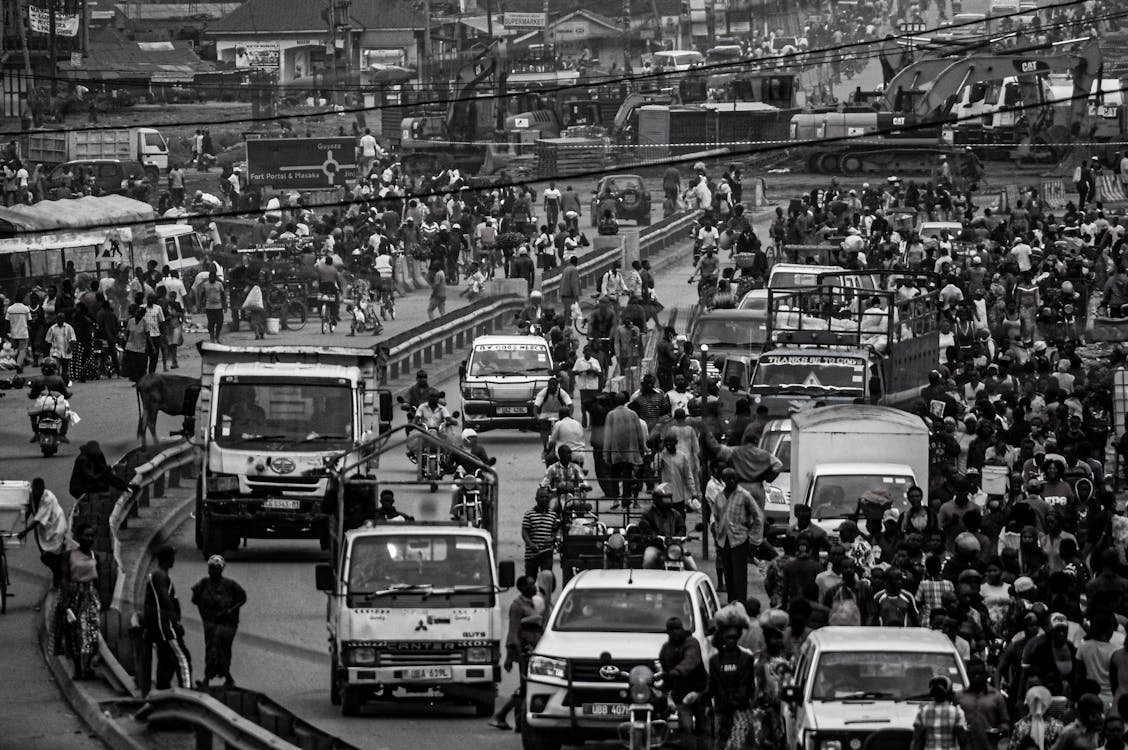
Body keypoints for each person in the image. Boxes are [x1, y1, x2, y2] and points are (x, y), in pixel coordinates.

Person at [684, 605, 757, 750]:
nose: (732, 640)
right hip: (721, 712)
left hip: (740, 711)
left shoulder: (746, 658)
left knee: (736, 746)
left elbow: (748, 688)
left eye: (735, 637)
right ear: (722, 636)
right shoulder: (715, 661)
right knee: (720, 745)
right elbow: (711, 687)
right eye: (729, 637)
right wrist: (698, 696)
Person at [51, 522, 101, 681]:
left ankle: (87, 666)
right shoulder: (68, 556)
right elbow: (64, 578)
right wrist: (65, 602)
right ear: (78, 537)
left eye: (92, 536)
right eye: (87, 535)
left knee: (90, 633)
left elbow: (98, 580)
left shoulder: (95, 556)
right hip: (73, 597)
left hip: (90, 597)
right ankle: (78, 668)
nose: (90, 539)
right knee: (73, 634)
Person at [489, 575, 540, 730]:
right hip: (524, 651)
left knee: (526, 688)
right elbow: (513, 632)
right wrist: (510, 657)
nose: (534, 587)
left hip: (533, 652)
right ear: (523, 588)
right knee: (524, 688)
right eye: (531, 584)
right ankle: (501, 715)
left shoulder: (532, 603)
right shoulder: (517, 606)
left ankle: (519, 722)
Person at [190, 555, 247, 688]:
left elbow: (242, 598)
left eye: (215, 569)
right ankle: (226, 678)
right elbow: (195, 599)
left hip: (227, 623)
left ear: (221, 570)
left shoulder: (230, 585)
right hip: (210, 623)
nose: (212, 571)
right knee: (211, 647)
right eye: (210, 568)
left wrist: (230, 610)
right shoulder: (203, 584)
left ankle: (208, 678)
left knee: (220, 648)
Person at [142, 545, 192, 694]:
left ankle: (161, 692)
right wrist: (175, 621)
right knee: (183, 660)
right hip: (166, 627)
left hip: (160, 628)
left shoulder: (158, 575)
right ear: (169, 558)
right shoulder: (160, 576)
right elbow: (165, 600)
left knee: (166, 663)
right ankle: (187, 694)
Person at [711, 467, 762, 605]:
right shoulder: (719, 497)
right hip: (724, 541)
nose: (732, 481)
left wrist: (753, 539)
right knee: (728, 574)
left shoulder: (744, 495)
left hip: (740, 540)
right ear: (723, 480)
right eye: (728, 478)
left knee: (739, 575)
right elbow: (716, 517)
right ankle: (731, 602)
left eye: (734, 478)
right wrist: (717, 535)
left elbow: (758, 517)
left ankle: (741, 603)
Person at [659, 616, 708, 745]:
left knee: (703, 727)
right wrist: (664, 688)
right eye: (672, 629)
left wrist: (677, 672)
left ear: (682, 628)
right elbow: (666, 673)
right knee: (686, 728)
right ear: (668, 632)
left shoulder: (691, 642)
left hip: (699, 691)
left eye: (678, 628)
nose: (676, 632)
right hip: (680, 694)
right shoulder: (666, 649)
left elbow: (691, 660)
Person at [18, 477, 68, 589]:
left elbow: (37, 520)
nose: (37, 492)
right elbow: (30, 508)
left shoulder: (47, 498)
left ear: (43, 489)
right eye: (35, 489)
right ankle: (56, 571)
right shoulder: (31, 495)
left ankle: (57, 574)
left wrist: (25, 531)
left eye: (39, 490)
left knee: (53, 553)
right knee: (44, 553)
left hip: (55, 526)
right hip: (43, 527)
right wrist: (23, 522)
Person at [956, 658, 1010, 750]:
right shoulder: (959, 696)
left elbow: (1005, 722)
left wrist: (1000, 730)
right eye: (973, 674)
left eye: (980, 674)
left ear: (985, 674)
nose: (977, 677)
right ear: (968, 675)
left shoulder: (996, 696)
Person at [638, 484, 695, 570]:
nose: (667, 501)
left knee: (691, 564)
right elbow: (645, 528)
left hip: (674, 546)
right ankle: (647, 580)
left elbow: (682, 528)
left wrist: (678, 537)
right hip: (655, 546)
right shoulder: (648, 514)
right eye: (664, 499)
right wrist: (654, 537)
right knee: (648, 559)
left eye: (668, 499)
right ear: (657, 499)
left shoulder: (676, 514)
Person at [911, 675, 970, 750]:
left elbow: (917, 740)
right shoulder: (956, 712)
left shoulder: (923, 711)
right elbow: (963, 740)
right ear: (949, 692)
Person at [26, 356, 71, 443]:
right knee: (67, 415)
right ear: (54, 368)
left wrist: (31, 395)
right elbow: (65, 394)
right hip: (56, 405)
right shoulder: (58, 379)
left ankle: (36, 433)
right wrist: (68, 395)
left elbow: (32, 395)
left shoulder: (38, 380)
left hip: (41, 405)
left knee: (33, 415)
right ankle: (63, 435)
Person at [521, 488, 558, 578]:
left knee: (546, 579)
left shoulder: (552, 515)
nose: (544, 499)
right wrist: (531, 544)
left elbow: (555, 531)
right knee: (530, 580)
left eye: (546, 497)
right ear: (536, 499)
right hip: (531, 554)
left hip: (546, 554)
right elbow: (524, 532)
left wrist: (552, 538)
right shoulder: (529, 514)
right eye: (542, 497)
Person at [43, 311, 76, 385]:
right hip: (55, 352)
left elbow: (73, 339)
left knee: (65, 370)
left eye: (61, 318)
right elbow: (48, 340)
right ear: (56, 319)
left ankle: (64, 382)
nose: (60, 320)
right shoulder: (52, 328)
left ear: (64, 319)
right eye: (58, 318)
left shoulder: (69, 328)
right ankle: (56, 383)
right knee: (56, 368)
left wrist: (70, 347)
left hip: (66, 351)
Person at [195, 269, 226, 343]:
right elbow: (202, 295)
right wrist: (200, 305)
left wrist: (225, 305)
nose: (212, 278)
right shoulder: (205, 285)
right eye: (210, 277)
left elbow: (223, 295)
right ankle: (212, 337)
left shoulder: (219, 284)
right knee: (211, 323)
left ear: (215, 277)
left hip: (218, 306)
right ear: (209, 277)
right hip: (209, 307)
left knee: (220, 322)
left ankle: (217, 336)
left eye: (213, 277)